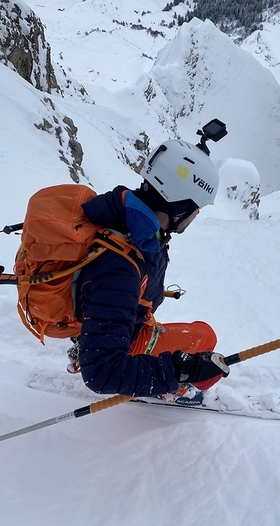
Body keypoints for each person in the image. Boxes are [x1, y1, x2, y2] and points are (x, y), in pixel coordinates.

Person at [72, 138, 230, 400]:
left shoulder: (133, 222)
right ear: (179, 206)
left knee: (200, 331)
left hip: (118, 323)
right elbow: (101, 372)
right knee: (204, 339)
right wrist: (180, 371)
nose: (196, 215)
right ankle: (179, 391)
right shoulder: (120, 266)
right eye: (196, 208)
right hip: (118, 344)